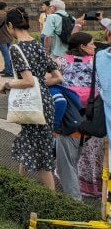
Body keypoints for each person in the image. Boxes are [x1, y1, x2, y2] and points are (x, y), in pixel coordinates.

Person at [0, 7, 63, 190]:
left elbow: (26, 81)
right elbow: (58, 77)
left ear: (10, 25)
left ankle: (52, 198)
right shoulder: (37, 44)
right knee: (31, 142)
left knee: (41, 153)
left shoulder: (16, 48)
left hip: (33, 104)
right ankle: (20, 186)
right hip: (45, 101)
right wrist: (40, 85)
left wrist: (7, 84)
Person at [53, 32, 102, 201]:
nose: (94, 46)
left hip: (68, 117)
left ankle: (74, 200)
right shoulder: (97, 63)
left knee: (67, 160)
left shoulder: (60, 61)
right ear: (82, 46)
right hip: (91, 117)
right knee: (89, 154)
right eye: (92, 44)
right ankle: (92, 188)